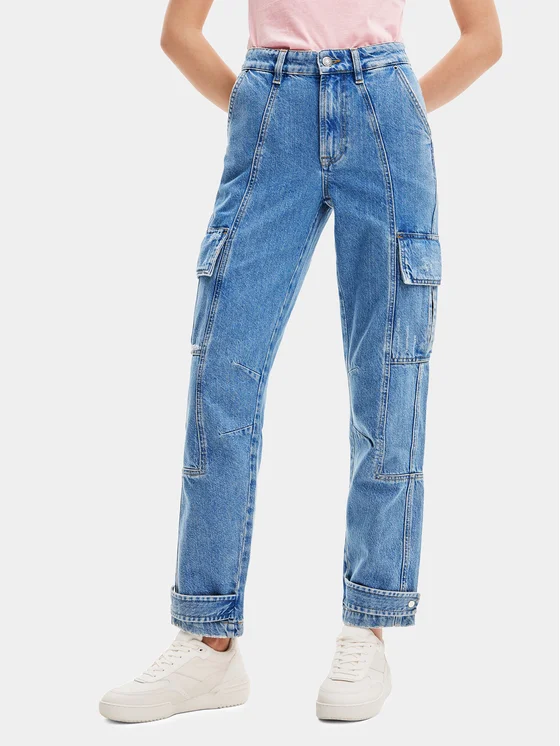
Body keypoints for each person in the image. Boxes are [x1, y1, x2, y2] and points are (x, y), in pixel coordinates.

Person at [99, 0, 501, 724]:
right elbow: (179, 31)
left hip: (385, 112)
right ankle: (208, 639)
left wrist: (399, 107)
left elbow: (484, 38)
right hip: (271, 109)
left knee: (388, 377)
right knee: (222, 370)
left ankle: (368, 624)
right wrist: (262, 107)